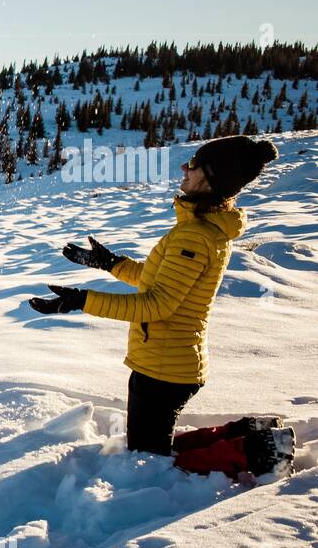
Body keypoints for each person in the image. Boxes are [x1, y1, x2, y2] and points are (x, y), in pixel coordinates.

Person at [29, 135, 295, 479]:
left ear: (210, 178)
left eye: (195, 163)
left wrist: (81, 301)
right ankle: (248, 431)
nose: (185, 167)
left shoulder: (194, 236)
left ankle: (258, 451)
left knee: (151, 460)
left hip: (164, 369)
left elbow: (157, 304)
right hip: (165, 361)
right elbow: (159, 281)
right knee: (152, 446)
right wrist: (110, 264)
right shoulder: (200, 230)